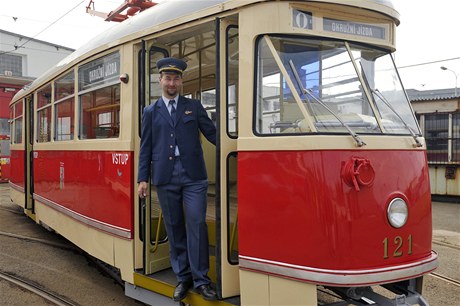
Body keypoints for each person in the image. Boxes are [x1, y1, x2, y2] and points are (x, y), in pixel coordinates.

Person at [137, 57, 217, 302]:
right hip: (165, 176)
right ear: (160, 80)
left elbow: (214, 134)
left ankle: (202, 280)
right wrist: (143, 178)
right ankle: (183, 278)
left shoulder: (194, 106)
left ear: (181, 81)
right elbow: (146, 147)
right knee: (174, 227)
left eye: (176, 78)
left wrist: (242, 149)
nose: (172, 83)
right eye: (168, 78)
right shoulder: (150, 112)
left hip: (193, 176)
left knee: (196, 224)